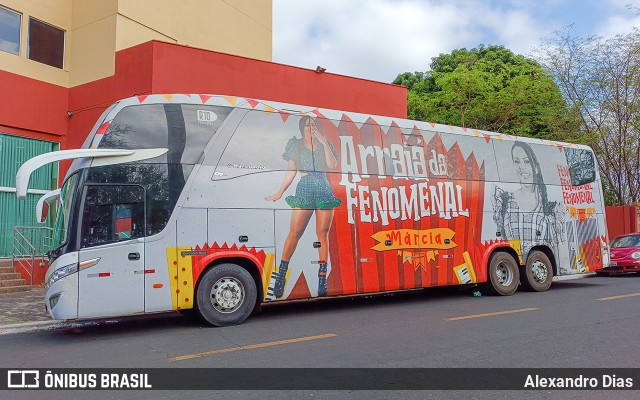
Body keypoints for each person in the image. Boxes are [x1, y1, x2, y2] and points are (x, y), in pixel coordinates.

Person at [265, 116, 342, 298]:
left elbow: (332, 165)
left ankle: (322, 278)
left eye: (313, 125)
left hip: (324, 189)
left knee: (322, 234)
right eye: (307, 125)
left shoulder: (325, 144)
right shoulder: (296, 145)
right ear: (302, 128)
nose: (311, 127)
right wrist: (279, 192)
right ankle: (281, 275)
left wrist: (323, 141)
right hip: (305, 188)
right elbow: (291, 171)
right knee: (295, 233)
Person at [492, 141, 564, 257]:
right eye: (517, 161)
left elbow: (559, 249)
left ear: (536, 168)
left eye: (526, 161)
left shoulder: (550, 207)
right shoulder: (505, 202)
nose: (521, 167)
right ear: (514, 166)